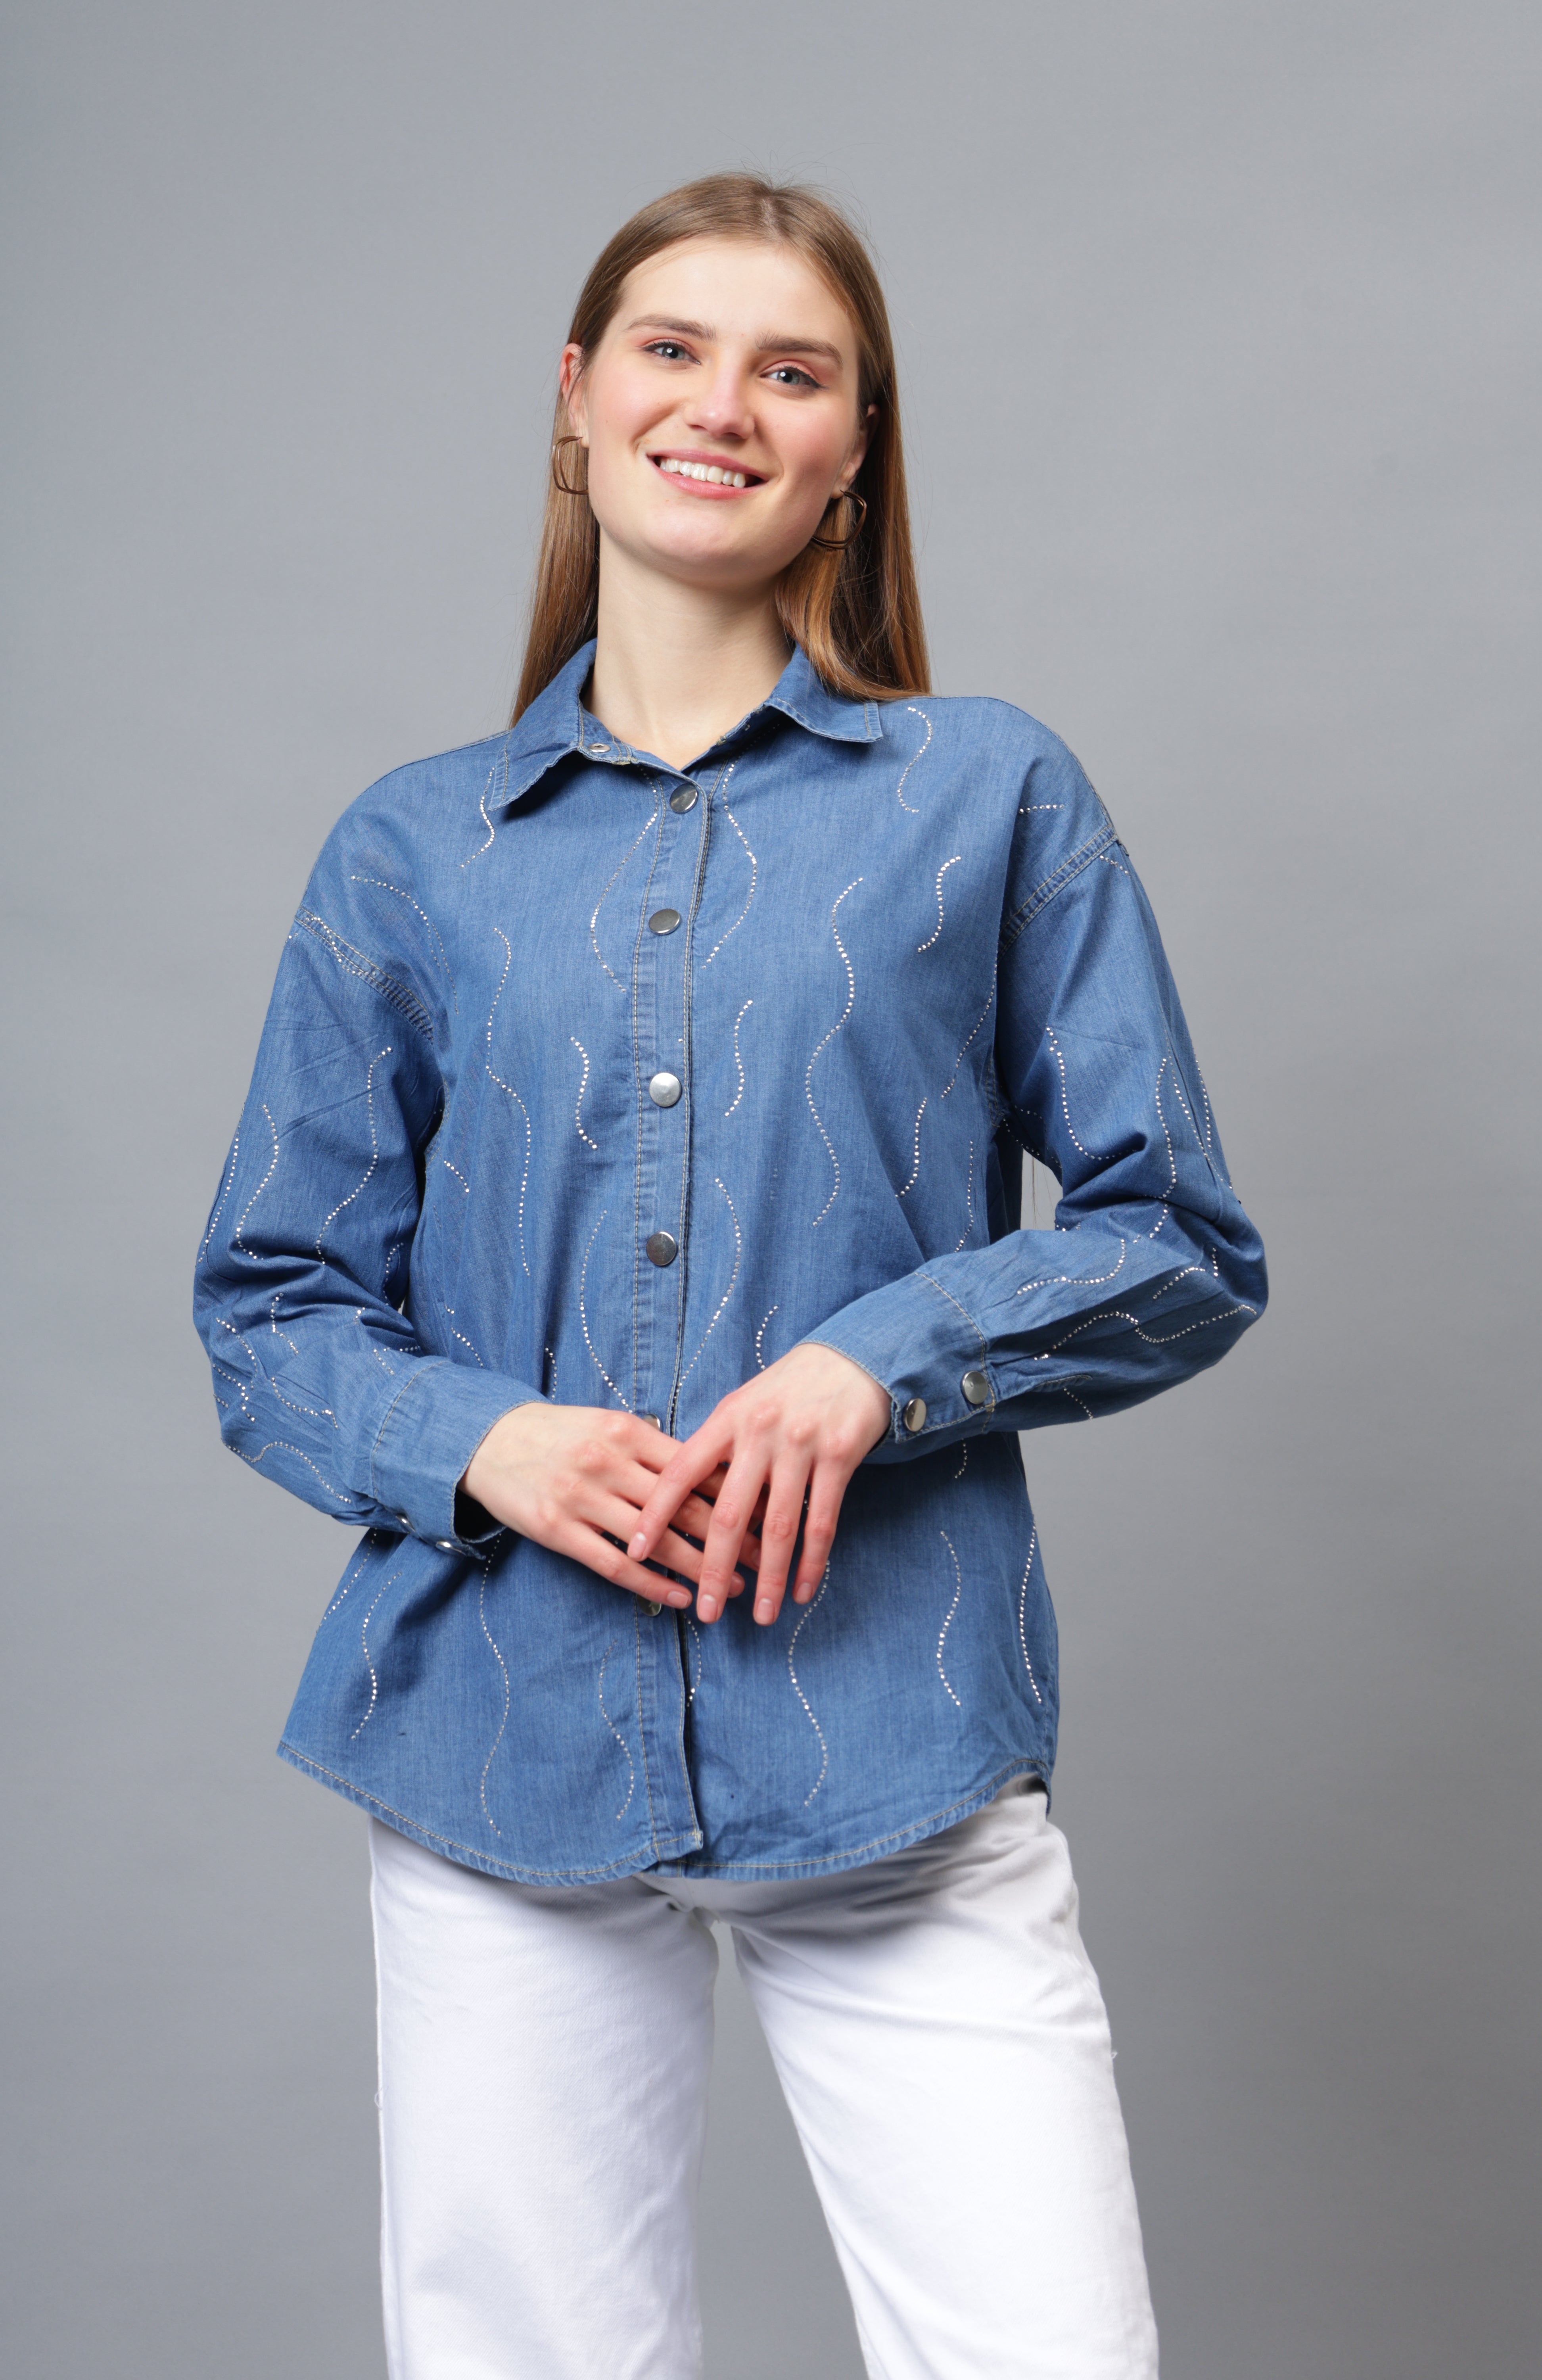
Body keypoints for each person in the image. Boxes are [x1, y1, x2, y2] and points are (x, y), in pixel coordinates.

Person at [194, 171, 1266, 2380]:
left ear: (856, 446)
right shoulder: (410, 850)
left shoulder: (990, 793)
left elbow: (1178, 1236)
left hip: (895, 1747)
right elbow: (269, 1303)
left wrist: (882, 1365)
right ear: (578, 398)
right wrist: (486, 1440)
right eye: (674, 351)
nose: (725, 406)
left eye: (795, 371)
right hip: (498, 1753)